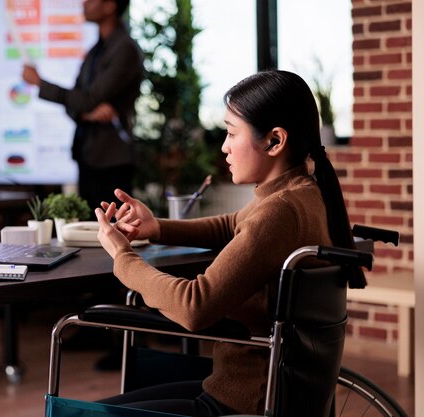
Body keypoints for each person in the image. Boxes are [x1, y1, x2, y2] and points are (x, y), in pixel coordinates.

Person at [92, 70, 365, 416]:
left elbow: (194, 306)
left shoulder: (280, 211)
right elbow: (231, 225)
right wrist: (156, 227)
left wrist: (122, 256)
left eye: (232, 133)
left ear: (275, 141)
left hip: (241, 403)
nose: (224, 146)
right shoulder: (302, 193)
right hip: (262, 389)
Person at [22, 0, 144, 217]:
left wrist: (41, 84)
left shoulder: (125, 49)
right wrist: (85, 112)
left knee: (114, 231)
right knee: (90, 229)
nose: (84, 3)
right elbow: (76, 100)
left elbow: (86, 98)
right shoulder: (95, 51)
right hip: (87, 154)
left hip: (111, 159)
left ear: (110, 6)